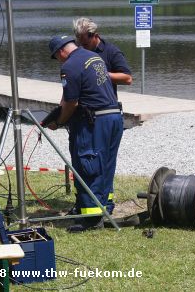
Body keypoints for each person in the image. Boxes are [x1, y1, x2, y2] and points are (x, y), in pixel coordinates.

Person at [47, 35, 123, 232]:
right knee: (105, 164)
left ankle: (91, 219)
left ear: (60, 51)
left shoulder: (69, 66)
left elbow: (72, 102)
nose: (59, 61)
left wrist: (59, 121)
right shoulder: (93, 57)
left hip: (95, 121)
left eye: (57, 57)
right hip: (114, 116)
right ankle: (106, 208)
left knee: (88, 163)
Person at [73, 17, 132, 213]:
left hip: (106, 112)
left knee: (104, 160)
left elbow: (127, 77)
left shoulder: (111, 51)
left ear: (94, 36)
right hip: (86, 113)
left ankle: (105, 202)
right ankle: (93, 201)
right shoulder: (78, 52)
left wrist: (99, 73)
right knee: (91, 161)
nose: (82, 46)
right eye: (78, 42)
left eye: (85, 42)